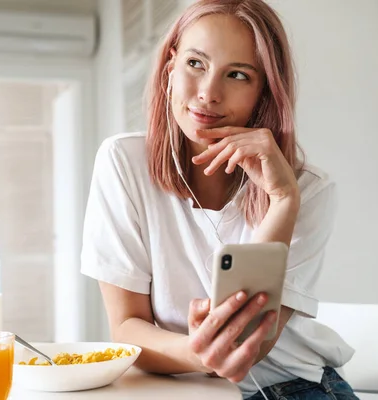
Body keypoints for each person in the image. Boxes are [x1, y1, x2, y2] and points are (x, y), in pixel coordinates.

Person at [81, 0, 358, 398]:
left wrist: (281, 201)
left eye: (238, 75)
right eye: (196, 64)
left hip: (293, 387)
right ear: (169, 68)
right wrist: (197, 354)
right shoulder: (123, 163)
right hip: (181, 388)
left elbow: (248, 346)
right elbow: (126, 328)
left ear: (263, 92)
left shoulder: (306, 189)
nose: (209, 93)